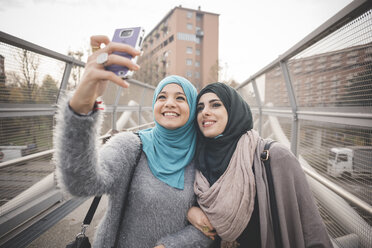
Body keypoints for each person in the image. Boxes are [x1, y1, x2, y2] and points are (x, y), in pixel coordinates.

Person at [54, 35, 214, 248]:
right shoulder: (131, 145)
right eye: (162, 97)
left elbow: (211, 228)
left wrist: (170, 246)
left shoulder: (205, 157)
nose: (169, 104)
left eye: (180, 98)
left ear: (193, 108)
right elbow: (81, 183)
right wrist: (82, 106)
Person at [187, 82, 333, 248]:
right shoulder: (198, 159)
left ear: (234, 110)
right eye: (200, 108)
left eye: (215, 105)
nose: (205, 112)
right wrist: (190, 211)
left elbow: (311, 229)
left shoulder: (275, 156)